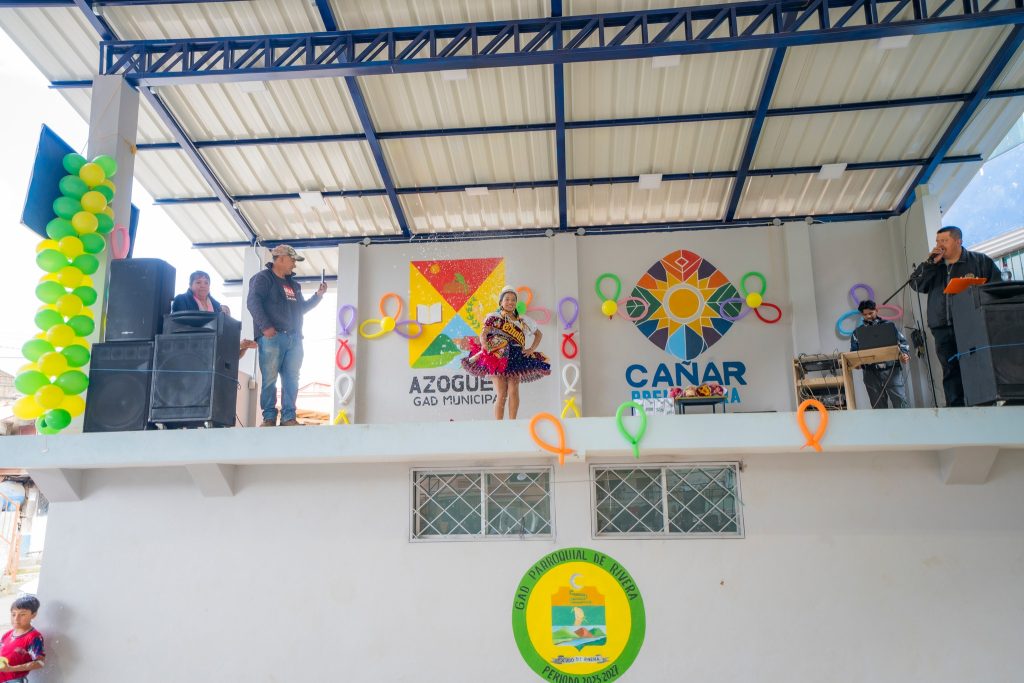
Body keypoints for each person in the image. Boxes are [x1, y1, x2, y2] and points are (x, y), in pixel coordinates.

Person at [910, 225, 1002, 407]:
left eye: (944, 241)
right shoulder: (934, 266)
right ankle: (956, 410)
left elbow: (996, 287)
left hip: (972, 325)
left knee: (977, 366)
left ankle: (984, 408)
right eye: (937, 241)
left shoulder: (979, 261)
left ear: (958, 241)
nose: (939, 245)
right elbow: (916, 284)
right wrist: (929, 264)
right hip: (942, 326)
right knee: (950, 370)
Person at [246, 245, 326, 427]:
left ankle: (289, 417)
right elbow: (252, 302)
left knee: (292, 379)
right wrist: (265, 326)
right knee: (269, 379)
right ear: (281, 259)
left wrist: (318, 296)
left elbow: (301, 308)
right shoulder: (263, 278)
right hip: (272, 336)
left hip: (294, 338)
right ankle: (268, 417)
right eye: (292, 260)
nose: (294, 265)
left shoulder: (293, 285)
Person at [460, 286, 550, 419]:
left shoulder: (523, 320)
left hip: (516, 356)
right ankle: (499, 425)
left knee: (514, 390)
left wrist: (531, 349)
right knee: (502, 393)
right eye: (507, 299)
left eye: (513, 299)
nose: (510, 302)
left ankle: (512, 423)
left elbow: (538, 334)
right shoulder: (494, 317)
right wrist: (484, 345)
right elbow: (483, 334)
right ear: (501, 302)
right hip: (498, 356)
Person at [850, 300, 910, 409]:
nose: (868, 316)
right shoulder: (857, 333)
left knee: (900, 402)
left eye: (871, 313)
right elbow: (854, 352)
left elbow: (903, 343)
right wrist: (856, 363)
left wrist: (904, 354)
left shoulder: (889, 326)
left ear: (876, 310)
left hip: (891, 370)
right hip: (870, 373)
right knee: (878, 407)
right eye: (865, 314)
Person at [0, 595, 45, 682]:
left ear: (33, 615)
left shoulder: (34, 637)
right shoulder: (7, 634)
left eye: (22, 614)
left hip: (14, 680)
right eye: (13, 614)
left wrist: (11, 669)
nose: (16, 619)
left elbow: (39, 663)